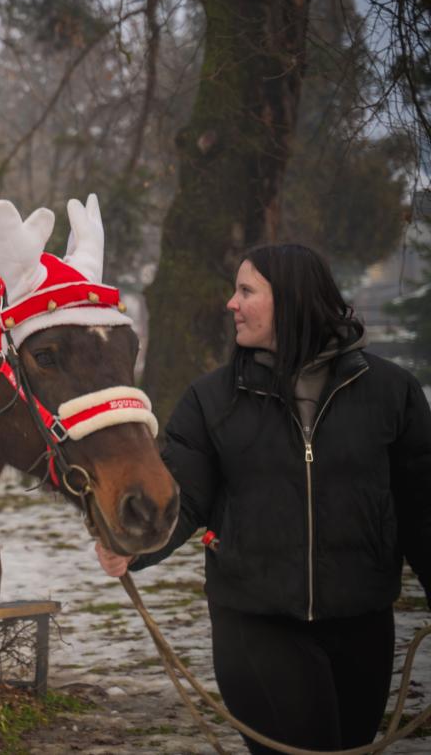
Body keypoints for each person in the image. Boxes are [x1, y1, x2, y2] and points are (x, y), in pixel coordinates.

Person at [96, 244, 431, 754]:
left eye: (247, 291)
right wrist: (133, 546)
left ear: (293, 300)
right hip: (255, 623)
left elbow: (421, 508)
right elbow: (186, 499)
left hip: (363, 621)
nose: (231, 303)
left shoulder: (390, 391)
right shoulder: (212, 400)